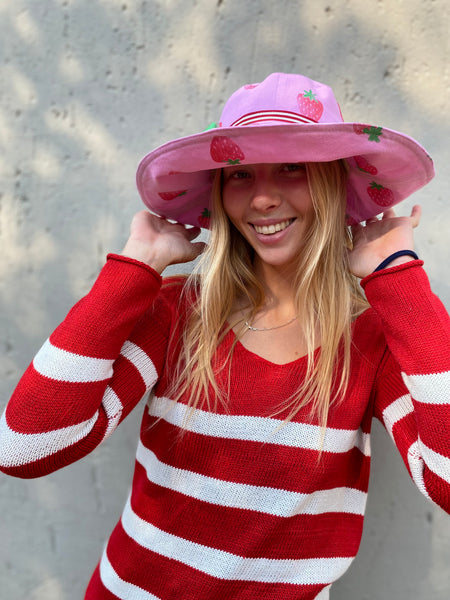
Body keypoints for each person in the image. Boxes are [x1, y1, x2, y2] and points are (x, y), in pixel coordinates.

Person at [0, 72, 449, 600]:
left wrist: (397, 276)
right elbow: (25, 448)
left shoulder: (369, 342)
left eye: (292, 169)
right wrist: (133, 268)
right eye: (239, 174)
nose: (262, 198)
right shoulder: (178, 313)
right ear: (218, 192)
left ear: (331, 182)